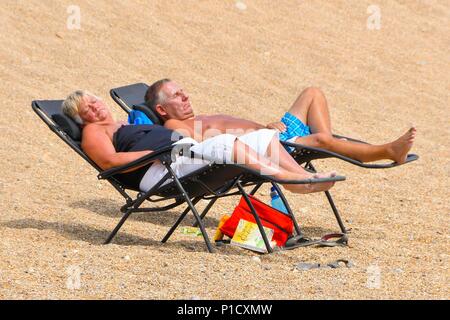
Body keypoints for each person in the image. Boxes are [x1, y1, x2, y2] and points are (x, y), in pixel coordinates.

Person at [61, 90, 340, 194]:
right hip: (160, 170)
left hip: (178, 155)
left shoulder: (124, 123)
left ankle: (302, 178)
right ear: (82, 119)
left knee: (265, 137)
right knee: (228, 145)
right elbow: (110, 163)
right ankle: (288, 180)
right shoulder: (94, 133)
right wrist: (153, 154)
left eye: (94, 102)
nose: (95, 109)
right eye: (87, 110)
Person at [144, 79, 416, 164]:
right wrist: (260, 135)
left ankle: (328, 146)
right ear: (162, 109)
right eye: (177, 96)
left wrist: (266, 126)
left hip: (279, 135)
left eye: (183, 91)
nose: (186, 96)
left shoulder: (199, 118)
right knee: (321, 140)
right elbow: (198, 146)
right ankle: (387, 151)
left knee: (312, 94)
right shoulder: (174, 127)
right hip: (269, 148)